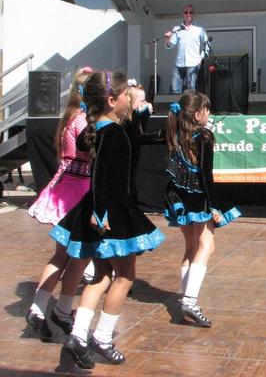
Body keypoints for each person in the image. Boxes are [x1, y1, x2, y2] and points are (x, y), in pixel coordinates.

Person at [50, 70, 165, 369]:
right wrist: (101, 214)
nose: (130, 98)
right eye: (127, 94)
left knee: (101, 276)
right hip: (112, 212)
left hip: (103, 210)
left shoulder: (100, 131)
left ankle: (77, 336)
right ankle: (101, 337)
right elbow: (101, 178)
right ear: (112, 100)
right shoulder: (113, 133)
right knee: (125, 276)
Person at [25, 67, 93, 340]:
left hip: (65, 187)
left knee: (63, 255)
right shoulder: (82, 121)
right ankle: (59, 310)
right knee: (77, 255)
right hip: (77, 191)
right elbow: (88, 155)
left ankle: (41, 308)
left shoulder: (69, 118)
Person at [163, 90, 240, 326]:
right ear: (198, 114)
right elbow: (206, 176)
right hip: (197, 197)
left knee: (191, 246)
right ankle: (190, 299)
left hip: (177, 195)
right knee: (207, 245)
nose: (210, 114)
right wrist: (214, 205)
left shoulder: (175, 133)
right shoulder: (204, 136)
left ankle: (186, 297)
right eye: (207, 110)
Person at [164, 5, 208, 94]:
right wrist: (167, 39)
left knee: (191, 89)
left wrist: (201, 58)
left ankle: (190, 108)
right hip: (179, 63)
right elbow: (170, 45)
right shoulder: (177, 29)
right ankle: (177, 107)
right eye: (186, 12)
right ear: (183, 14)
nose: (188, 14)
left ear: (193, 14)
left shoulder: (199, 30)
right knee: (175, 88)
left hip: (193, 63)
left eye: (190, 12)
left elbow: (206, 45)